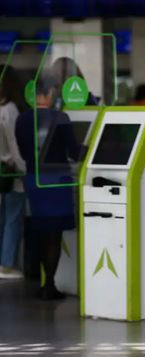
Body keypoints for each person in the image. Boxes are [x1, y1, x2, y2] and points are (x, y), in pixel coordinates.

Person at [15, 74, 81, 300]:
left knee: (43, 232)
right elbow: (74, 152)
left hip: (35, 180)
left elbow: (24, 152)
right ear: (51, 92)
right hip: (57, 181)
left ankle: (45, 284)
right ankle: (50, 285)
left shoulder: (22, 119)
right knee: (54, 235)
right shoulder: (60, 117)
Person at [0, 65, 27, 279]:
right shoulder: (10, 110)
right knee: (13, 217)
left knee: (3, 217)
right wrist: (24, 168)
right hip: (10, 172)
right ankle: (7, 264)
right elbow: (14, 143)